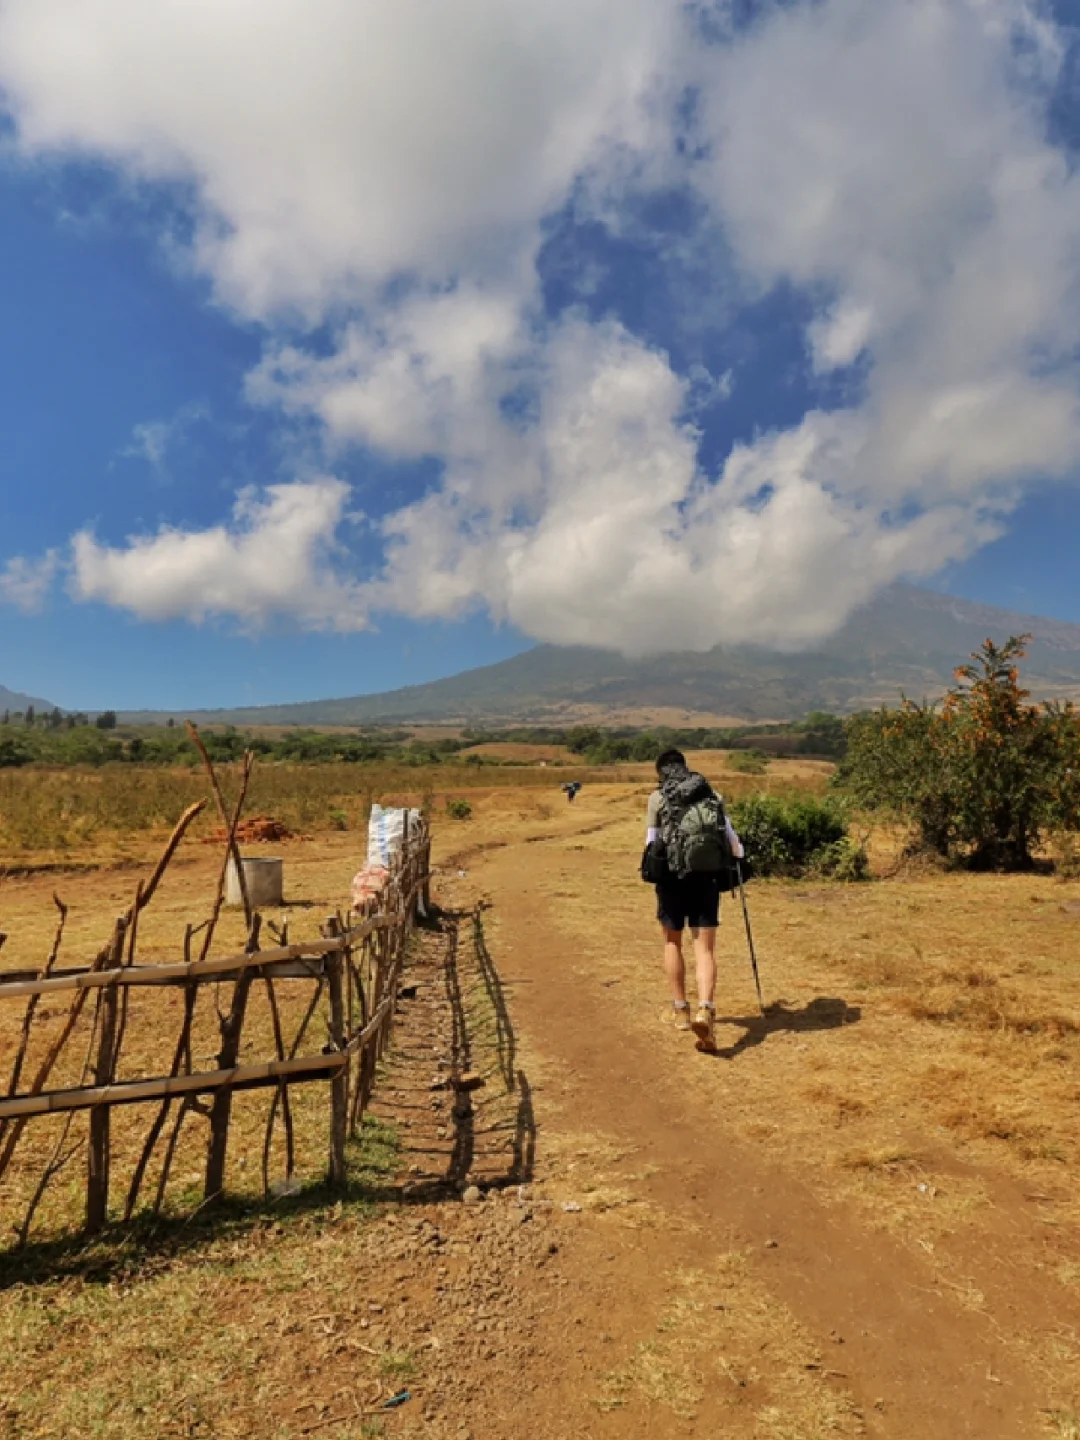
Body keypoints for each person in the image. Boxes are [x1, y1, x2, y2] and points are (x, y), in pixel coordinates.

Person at [644, 749, 743, 1052]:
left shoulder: (657, 797)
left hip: (672, 880)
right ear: (686, 767)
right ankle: (706, 1009)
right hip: (707, 878)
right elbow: (735, 846)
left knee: (672, 942)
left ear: (661, 771)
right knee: (705, 949)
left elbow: (650, 843)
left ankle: (681, 1011)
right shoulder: (712, 794)